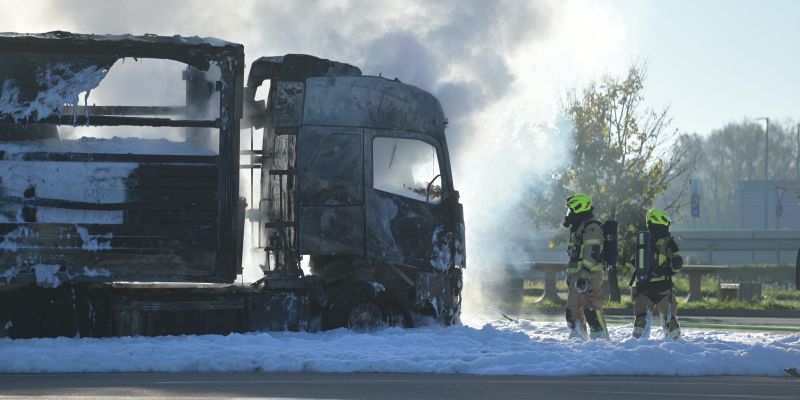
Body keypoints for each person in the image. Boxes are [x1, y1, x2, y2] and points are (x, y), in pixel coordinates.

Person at [630, 208, 683, 340]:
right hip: (663, 288)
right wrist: (669, 272)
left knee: (641, 317)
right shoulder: (668, 241)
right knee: (669, 318)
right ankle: (674, 344)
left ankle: (637, 343)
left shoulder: (642, 240)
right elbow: (678, 263)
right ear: (663, 222)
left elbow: (633, 261)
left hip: (643, 289)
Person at [563, 193, 608, 339]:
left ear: (580, 208)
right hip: (578, 276)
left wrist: (583, 275)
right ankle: (578, 338)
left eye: (571, 210)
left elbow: (591, 253)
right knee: (572, 310)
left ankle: (600, 339)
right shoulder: (579, 227)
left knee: (592, 308)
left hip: (590, 276)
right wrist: (572, 276)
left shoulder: (592, 227)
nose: (569, 214)